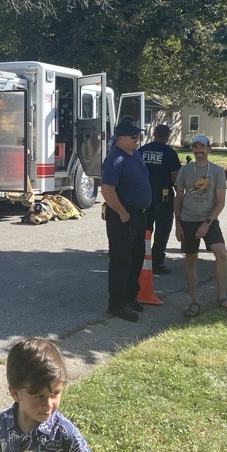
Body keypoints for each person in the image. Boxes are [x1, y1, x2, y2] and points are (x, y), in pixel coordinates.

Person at [173, 134, 227, 316]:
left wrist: (207, 223)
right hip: (187, 221)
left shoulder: (217, 172)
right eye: (195, 147)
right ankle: (194, 302)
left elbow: (220, 202)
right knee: (190, 259)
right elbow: (178, 197)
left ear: (209, 149)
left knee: (221, 254)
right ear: (192, 150)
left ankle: (222, 297)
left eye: (202, 147)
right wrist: (177, 224)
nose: (199, 151)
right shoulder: (185, 171)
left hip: (209, 221)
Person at [100, 118, 152, 321]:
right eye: (134, 136)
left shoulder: (134, 153)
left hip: (139, 214)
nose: (138, 139)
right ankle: (116, 304)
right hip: (123, 216)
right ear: (121, 138)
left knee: (137, 257)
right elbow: (107, 190)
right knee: (121, 261)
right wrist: (122, 213)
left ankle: (131, 295)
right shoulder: (115, 159)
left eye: (138, 135)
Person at [137, 124, 181, 275]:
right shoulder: (169, 153)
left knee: (145, 227)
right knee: (162, 229)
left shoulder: (141, 151)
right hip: (163, 195)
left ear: (154, 134)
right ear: (167, 136)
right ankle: (157, 262)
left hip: (144, 194)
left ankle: (142, 258)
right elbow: (175, 178)